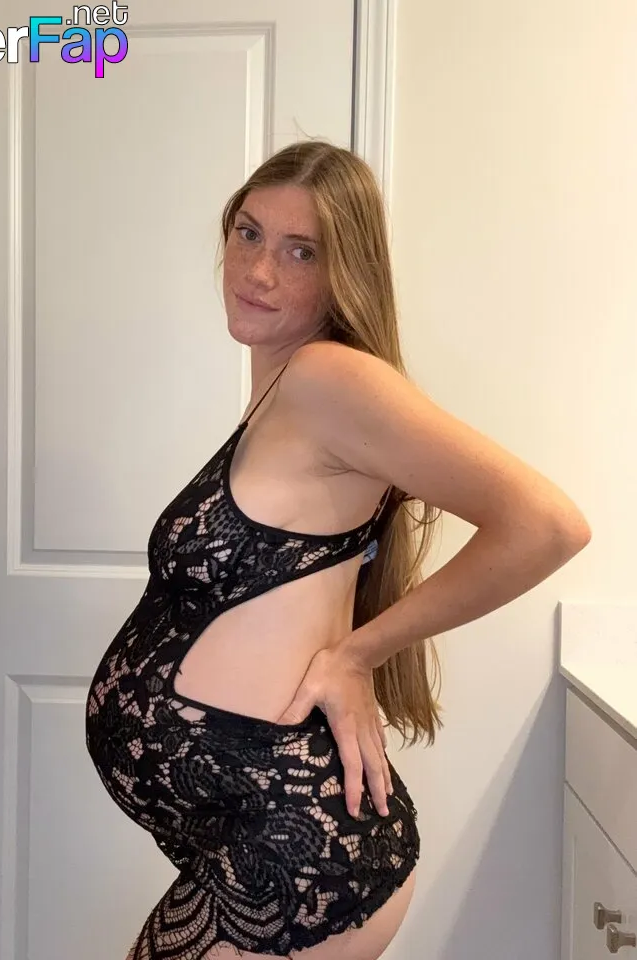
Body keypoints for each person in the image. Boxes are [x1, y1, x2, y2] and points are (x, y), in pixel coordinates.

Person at [85, 140, 591, 960]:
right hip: (252, 836)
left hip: (295, 848)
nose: (258, 271)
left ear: (342, 274)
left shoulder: (328, 378)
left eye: (301, 252)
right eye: (249, 233)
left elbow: (546, 524)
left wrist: (357, 655)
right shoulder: (285, 390)